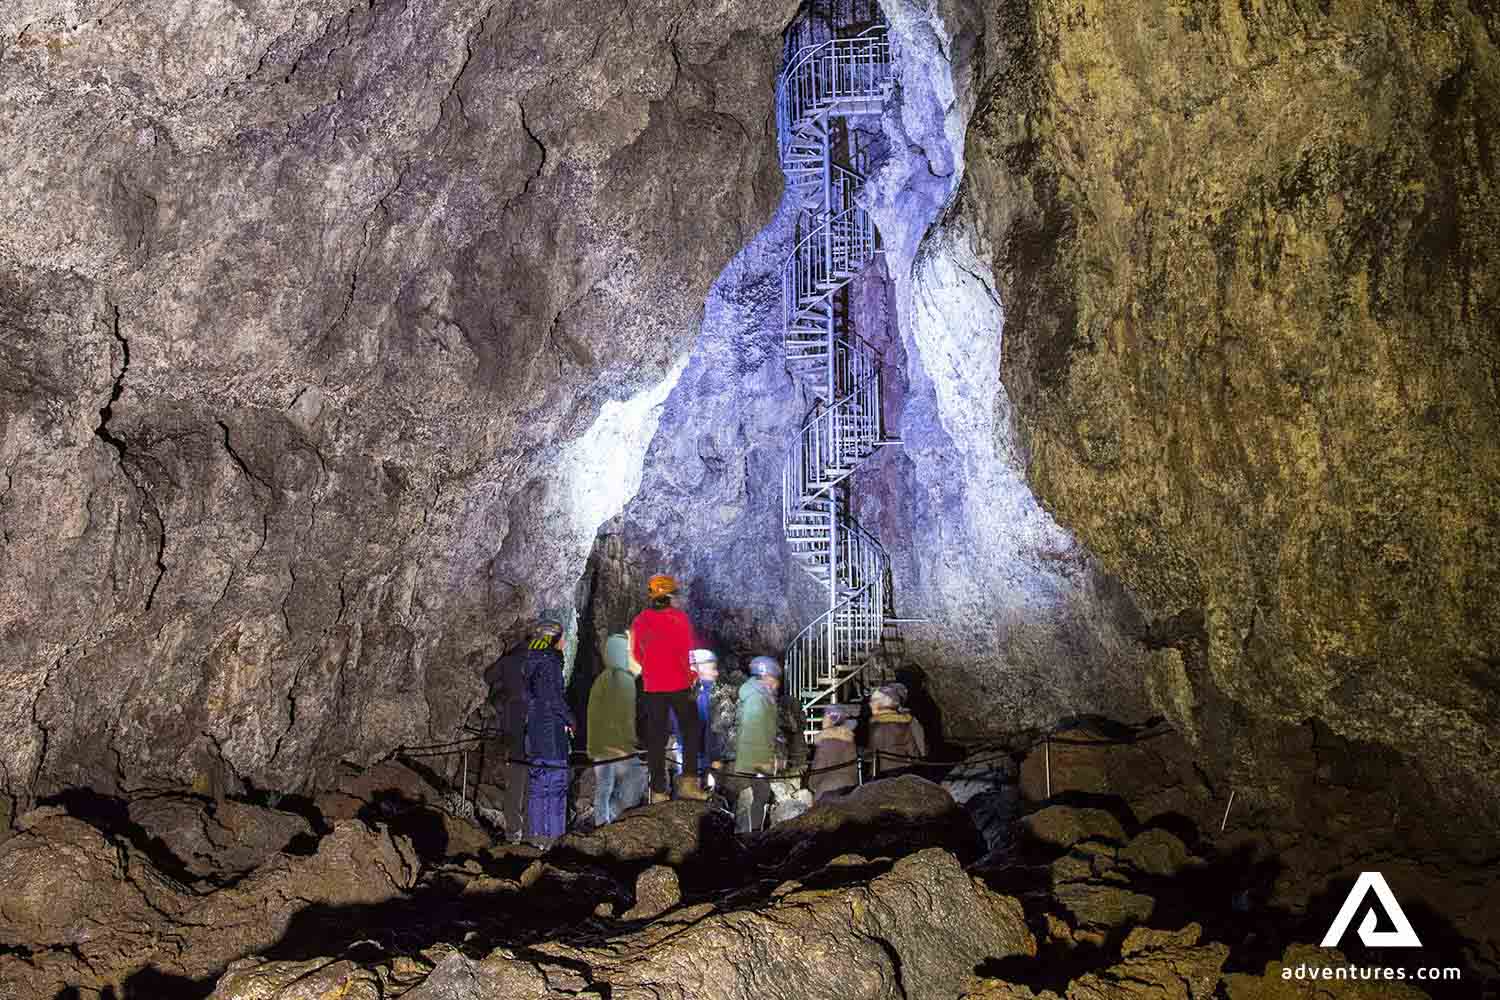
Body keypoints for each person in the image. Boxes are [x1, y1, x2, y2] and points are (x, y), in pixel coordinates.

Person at [630, 575, 708, 803]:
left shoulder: (641, 620)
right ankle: (688, 783)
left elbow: (637, 653)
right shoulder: (679, 619)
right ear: (670, 596)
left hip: (653, 686)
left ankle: (658, 791)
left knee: (656, 738)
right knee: (691, 730)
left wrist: (653, 667)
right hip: (678, 683)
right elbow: (687, 651)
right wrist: (691, 675)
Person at [483, 623, 541, 843]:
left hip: (512, 722)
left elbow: (488, 676)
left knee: (516, 777)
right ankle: (531, 831)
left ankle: (513, 831)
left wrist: (501, 691)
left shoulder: (510, 659)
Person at [523, 620, 575, 847]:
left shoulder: (529, 661)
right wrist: (571, 721)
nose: (564, 642)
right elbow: (554, 698)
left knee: (537, 785)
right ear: (553, 639)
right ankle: (555, 838)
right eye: (562, 637)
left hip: (534, 731)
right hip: (552, 732)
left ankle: (536, 835)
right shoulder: (550, 661)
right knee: (556, 785)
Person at [588, 632, 648, 826]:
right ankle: (607, 822)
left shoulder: (604, 679)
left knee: (605, 787)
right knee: (633, 778)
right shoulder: (620, 680)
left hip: (604, 746)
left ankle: (603, 822)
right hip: (614, 747)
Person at [722, 655, 781, 832]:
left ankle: (751, 834)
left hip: (751, 759)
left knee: (758, 796)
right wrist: (763, 760)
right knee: (755, 796)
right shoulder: (757, 697)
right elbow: (754, 731)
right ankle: (750, 836)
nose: (776, 683)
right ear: (764, 676)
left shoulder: (760, 696)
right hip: (753, 760)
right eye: (773, 678)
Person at [867, 682, 926, 778]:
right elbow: (913, 744)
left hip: (879, 768)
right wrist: (919, 758)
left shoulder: (874, 723)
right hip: (901, 765)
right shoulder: (905, 721)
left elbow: (872, 747)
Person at [806, 704, 859, 800]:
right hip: (849, 786)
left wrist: (811, 783)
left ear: (831, 720)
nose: (822, 720)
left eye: (825, 717)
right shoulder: (849, 739)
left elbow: (820, 766)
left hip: (828, 790)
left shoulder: (827, 741)